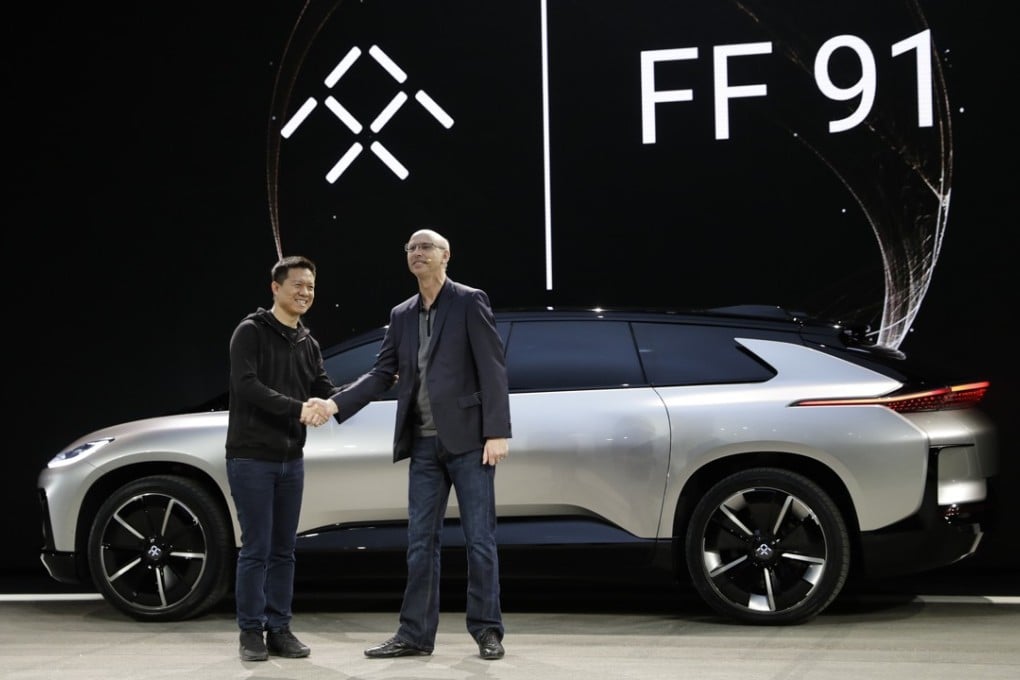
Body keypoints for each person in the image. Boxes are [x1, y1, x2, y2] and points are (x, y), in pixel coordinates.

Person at [311, 228, 512, 660]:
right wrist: (334, 403)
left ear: (446, 255)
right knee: (420, 543)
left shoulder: (469, 301)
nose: (417, 253)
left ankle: (487, 630)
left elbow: (493, 367)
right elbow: (382, 373)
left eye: (426, 247)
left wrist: (497, 431)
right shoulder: (401, 314)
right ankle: (415, 634)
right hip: (422, 444)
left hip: (468, 442)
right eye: (412, 248)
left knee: (480, 541)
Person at [225, 255, 337, 662]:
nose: (305, 292)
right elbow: (247, 386)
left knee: (284, 550)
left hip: (292, 460)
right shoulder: (250, 332)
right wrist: (299, 409)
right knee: (256, 548)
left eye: (311, 286)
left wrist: (372, 384)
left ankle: (280, 629)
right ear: (276, 288)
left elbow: (324, 387)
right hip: (252, 458)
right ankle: (250, 632)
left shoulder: (307, 342)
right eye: (298, 285)